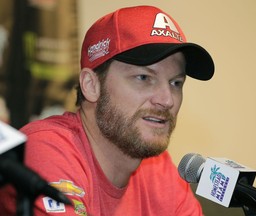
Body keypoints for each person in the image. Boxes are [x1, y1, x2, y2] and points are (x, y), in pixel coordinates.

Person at [0, 5, 214, 215]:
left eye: (176, 83)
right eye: (144, 78)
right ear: (91, 85)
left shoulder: (160, 170)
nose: (167, 100)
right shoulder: (46, 149)